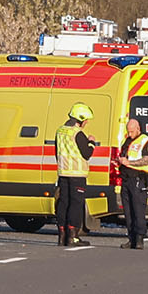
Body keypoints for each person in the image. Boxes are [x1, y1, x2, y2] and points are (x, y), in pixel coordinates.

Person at [54, 103, 97, 245]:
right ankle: (73, 237)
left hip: (63, 173)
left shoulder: (60, 131)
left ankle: (62, 236)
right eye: (86, 120)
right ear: (81, 118)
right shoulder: (78, 134)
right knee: (76, 205)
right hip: (77, 175)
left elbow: (57, 152)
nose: (86, 123)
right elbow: (87, 153)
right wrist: (91, 142)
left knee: (63, 203)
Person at [115, 116, 148, 249]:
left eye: (132, 131)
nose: (130, 134)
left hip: (139, 179)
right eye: (128, 131)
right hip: (126, 179)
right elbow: (126, 155)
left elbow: (145, 160)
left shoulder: (146, 141)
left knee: (138, 210)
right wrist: (119, 161)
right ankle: (131, 238)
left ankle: (139, 239)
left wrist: (129, 163)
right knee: (128, 211)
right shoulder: (128, 140)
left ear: (138, 129)